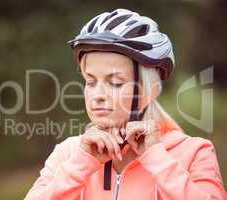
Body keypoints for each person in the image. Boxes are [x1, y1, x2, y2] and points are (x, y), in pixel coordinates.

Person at [24, 8, 227, 200]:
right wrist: (81, 163)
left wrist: (157, 159)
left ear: (149, 89)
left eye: (115, 82)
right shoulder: (68, 153)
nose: (98, 95)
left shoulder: (193, 152)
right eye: (91, 81)